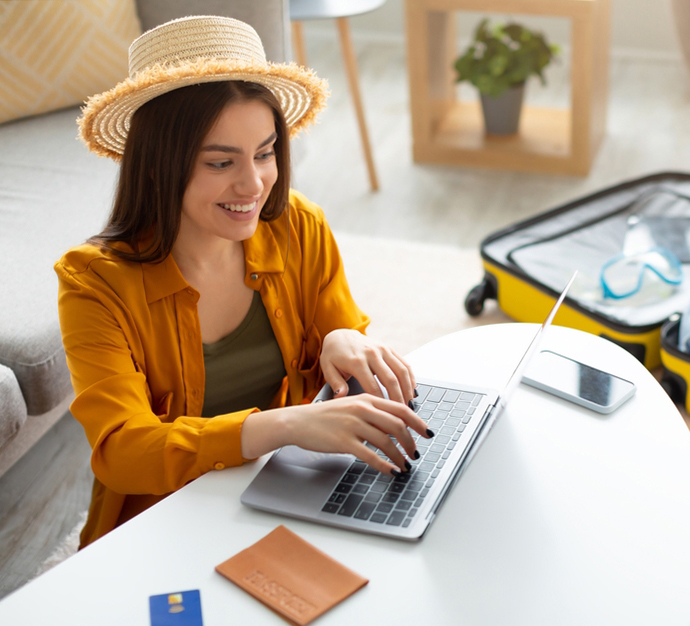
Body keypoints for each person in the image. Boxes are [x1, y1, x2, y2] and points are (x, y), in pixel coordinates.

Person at [55, 15, 428, 548]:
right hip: (166, 521)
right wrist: (287, 426)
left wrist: (344, 339)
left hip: (288, 493)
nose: (253, 184)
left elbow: (343, 342)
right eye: (221, 161)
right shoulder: (93, 284)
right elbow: (122, 450)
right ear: (159, 165)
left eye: (265, 152)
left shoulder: (299, 227)